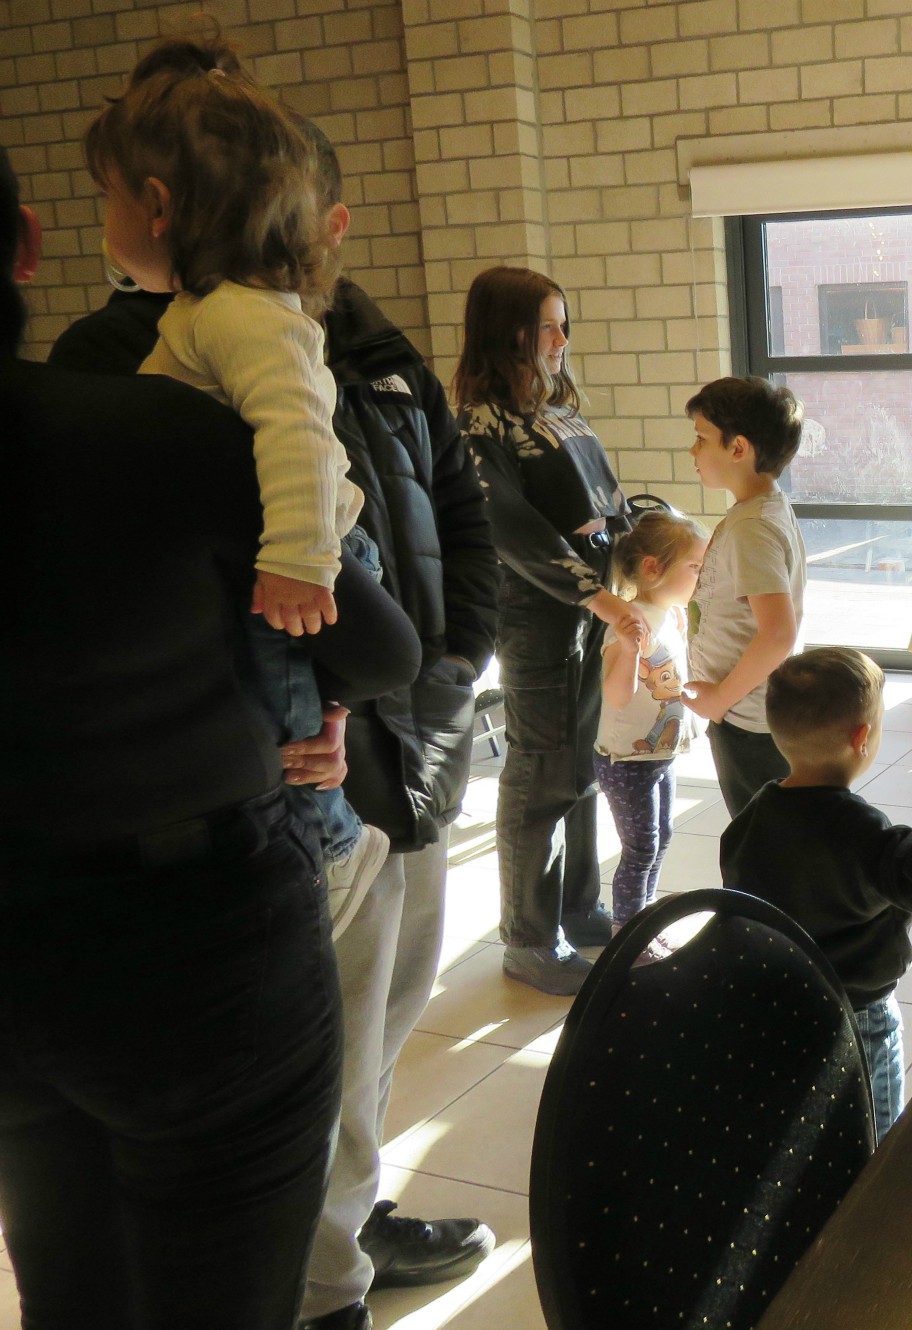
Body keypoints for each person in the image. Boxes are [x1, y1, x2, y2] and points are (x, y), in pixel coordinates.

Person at [0, 142, 416, 1329]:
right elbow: (378, 645)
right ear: (25, 244)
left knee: (65, 1272)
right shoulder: (156, 426)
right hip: (182, 942)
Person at [84, 37, 388, 933]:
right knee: (279, 712)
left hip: (306, 552)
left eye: (105, 197)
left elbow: (298, 433)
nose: (99, 219)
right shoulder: (207, 309)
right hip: (292, 551)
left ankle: (334, 850)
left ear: (157, 204)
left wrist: (298, 560)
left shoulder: (238, 313)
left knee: (282, 725)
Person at [293, 121, 499, 1329]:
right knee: (327, 1041)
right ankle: (327, 1280)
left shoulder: (377, 351)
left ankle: (349, 1221)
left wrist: (453, 670)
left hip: (413, 726)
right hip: (316, 755)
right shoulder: (188, 360)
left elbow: (459, 524)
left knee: (393, 1005)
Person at [456, 265, 643, 995]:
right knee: (540, 772)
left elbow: (611, 504)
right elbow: (513, 530)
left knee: (581, 768)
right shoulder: (479, 423)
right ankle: (528, 938)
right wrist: (597, 597)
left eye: (564, 322)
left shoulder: (559, 412)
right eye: (548, 325)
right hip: (539, 619)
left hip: (594, 609)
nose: (563, 339)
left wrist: (641, 573)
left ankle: (580, 908)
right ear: (510, 333)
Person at [718, 648, 912, 1144]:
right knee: (876, 1128)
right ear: (862, 739)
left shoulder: (749, 820)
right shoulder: (860, 829)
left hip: (788, 1005)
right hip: (861, 1011)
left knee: (815, 1120)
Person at [682, 376, 808, 816]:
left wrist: (720, 698)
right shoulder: (759, 510)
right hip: (749, 713)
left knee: (762, 839)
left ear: (738, 448)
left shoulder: (752, 527)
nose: (693, 452)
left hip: (748, 719)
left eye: (701, 439)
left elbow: (777, 635)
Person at [596, 508, 708, 930]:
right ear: (652, 568)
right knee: (641, 847)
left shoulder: (671, 615)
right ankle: (627, 933)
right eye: (695, 566)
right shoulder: (627, 622)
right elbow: (616, 695)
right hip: (625, 761)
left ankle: (645, 921)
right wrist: (628, 651)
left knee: (660, 841)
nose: (701, 575)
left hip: (659, 755)